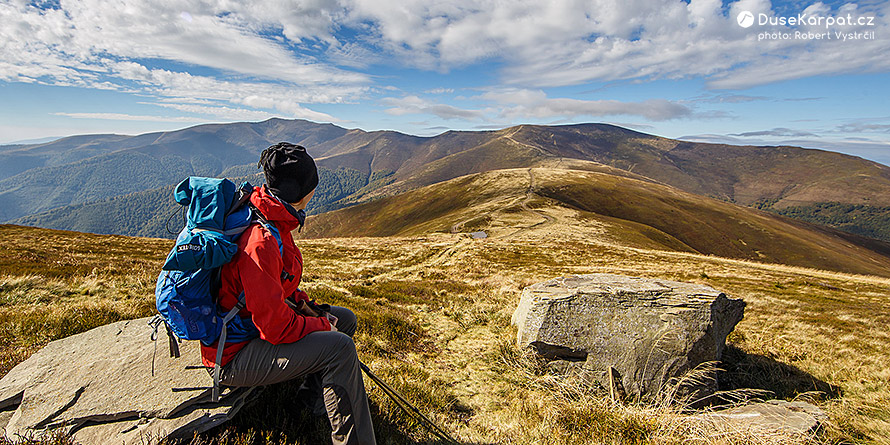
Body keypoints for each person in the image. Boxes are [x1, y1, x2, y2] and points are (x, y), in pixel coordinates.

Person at [201, 142, 376, 445]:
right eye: (312, 185)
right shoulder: (262, 240)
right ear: (299, 190)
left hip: (249, 330)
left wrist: (307, 306)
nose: (314, 191)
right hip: (233, 354)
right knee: (340, 347)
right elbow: (275, 327)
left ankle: (309, 404)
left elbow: (277, 287)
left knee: (343, 318)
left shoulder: (271, 216)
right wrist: (321, 325)